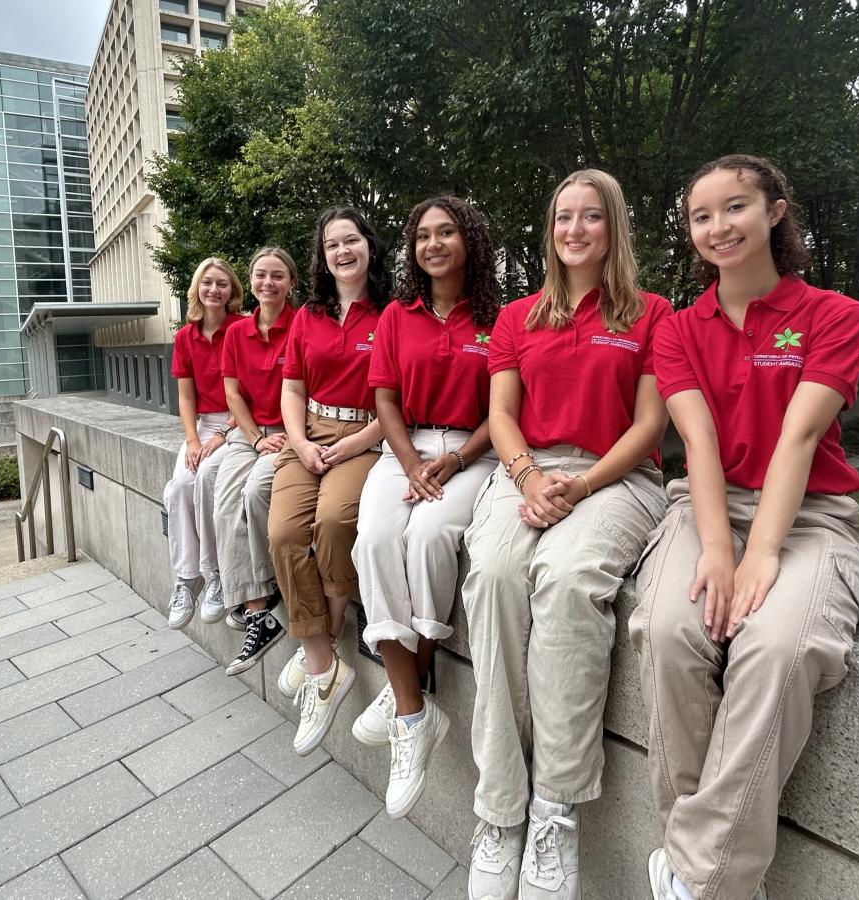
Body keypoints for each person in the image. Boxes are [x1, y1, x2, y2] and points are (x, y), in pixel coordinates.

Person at [630, 155, 859, 900]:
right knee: (671, 629)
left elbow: (799, 440)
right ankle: (710, 870)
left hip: (808, 514)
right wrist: (718, 550)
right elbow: (697, 445)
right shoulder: (677, 327)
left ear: (773, 210)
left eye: (733, 207)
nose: (717, 227)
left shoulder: (833, 315)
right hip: (705, 506)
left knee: (780, 646)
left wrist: (762, 551)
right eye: (701, 216)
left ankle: (693, 874)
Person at [463, 170, 672, 900]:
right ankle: (498, 810)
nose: (575, 230)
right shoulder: (519, 317)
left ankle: (554, 811)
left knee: (568, 579)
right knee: (491, 574)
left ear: (613, 227)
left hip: (616, 477)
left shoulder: (650, 314)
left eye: (590, 217)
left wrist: (580, 487)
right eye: (562, 218)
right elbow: (501, 415)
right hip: (526, 468)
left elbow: (651, 425)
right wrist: (526, 479)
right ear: (549, 230)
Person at [351, 196, 502, 818]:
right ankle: (413, 712)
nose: (433, 244)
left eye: (446, 233)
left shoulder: (501, 317)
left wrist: (456, 461)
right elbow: (384, 399)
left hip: (474, 452)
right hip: (405, 447)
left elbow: (505, 412)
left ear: (469, 239)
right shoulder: (396, 316)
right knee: (376, 537)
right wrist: (411, 462)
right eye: (421, 236)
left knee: (432, 536)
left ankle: (401, 687)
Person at [269, 207, 392, 755]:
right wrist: (298, 442)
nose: (342, 252)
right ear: (321, 256)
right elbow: (291, 388)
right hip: (308, 432)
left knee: (336, 521)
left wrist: (352, 444)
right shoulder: (308, 315)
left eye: (351, 240)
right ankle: (324, 667)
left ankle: (317, 634)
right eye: (331, 245)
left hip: (366, 435)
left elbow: (400, 401)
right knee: (283, 534)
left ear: (369, 245)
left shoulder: (392, 313)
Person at [214, 247, 299, 674]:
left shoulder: (301, 326)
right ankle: (256, 608)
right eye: (261, 275)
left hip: (290, 436)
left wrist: (286, 437)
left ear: (291, 283)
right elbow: (232, 393)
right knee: (224, 500)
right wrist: (253, 437)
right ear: (250, 281)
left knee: (254, 493)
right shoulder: (236, 333)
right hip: (251, 435)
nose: (268, 283)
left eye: (278, 276)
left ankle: (266, 593)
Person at [164, 256, 242, 629]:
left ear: (232, 291)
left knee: (208, 479)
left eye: (222, 284)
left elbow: (253, 393)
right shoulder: (185, 337)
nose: (214, 290)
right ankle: (185, 577)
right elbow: (185, 398)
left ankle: (216, 575)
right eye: (208, 283)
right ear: (197, 289)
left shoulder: (243, 329)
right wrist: (192, 440)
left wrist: (223, 433)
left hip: (238, 422)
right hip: (204, 426)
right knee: (181, 484)